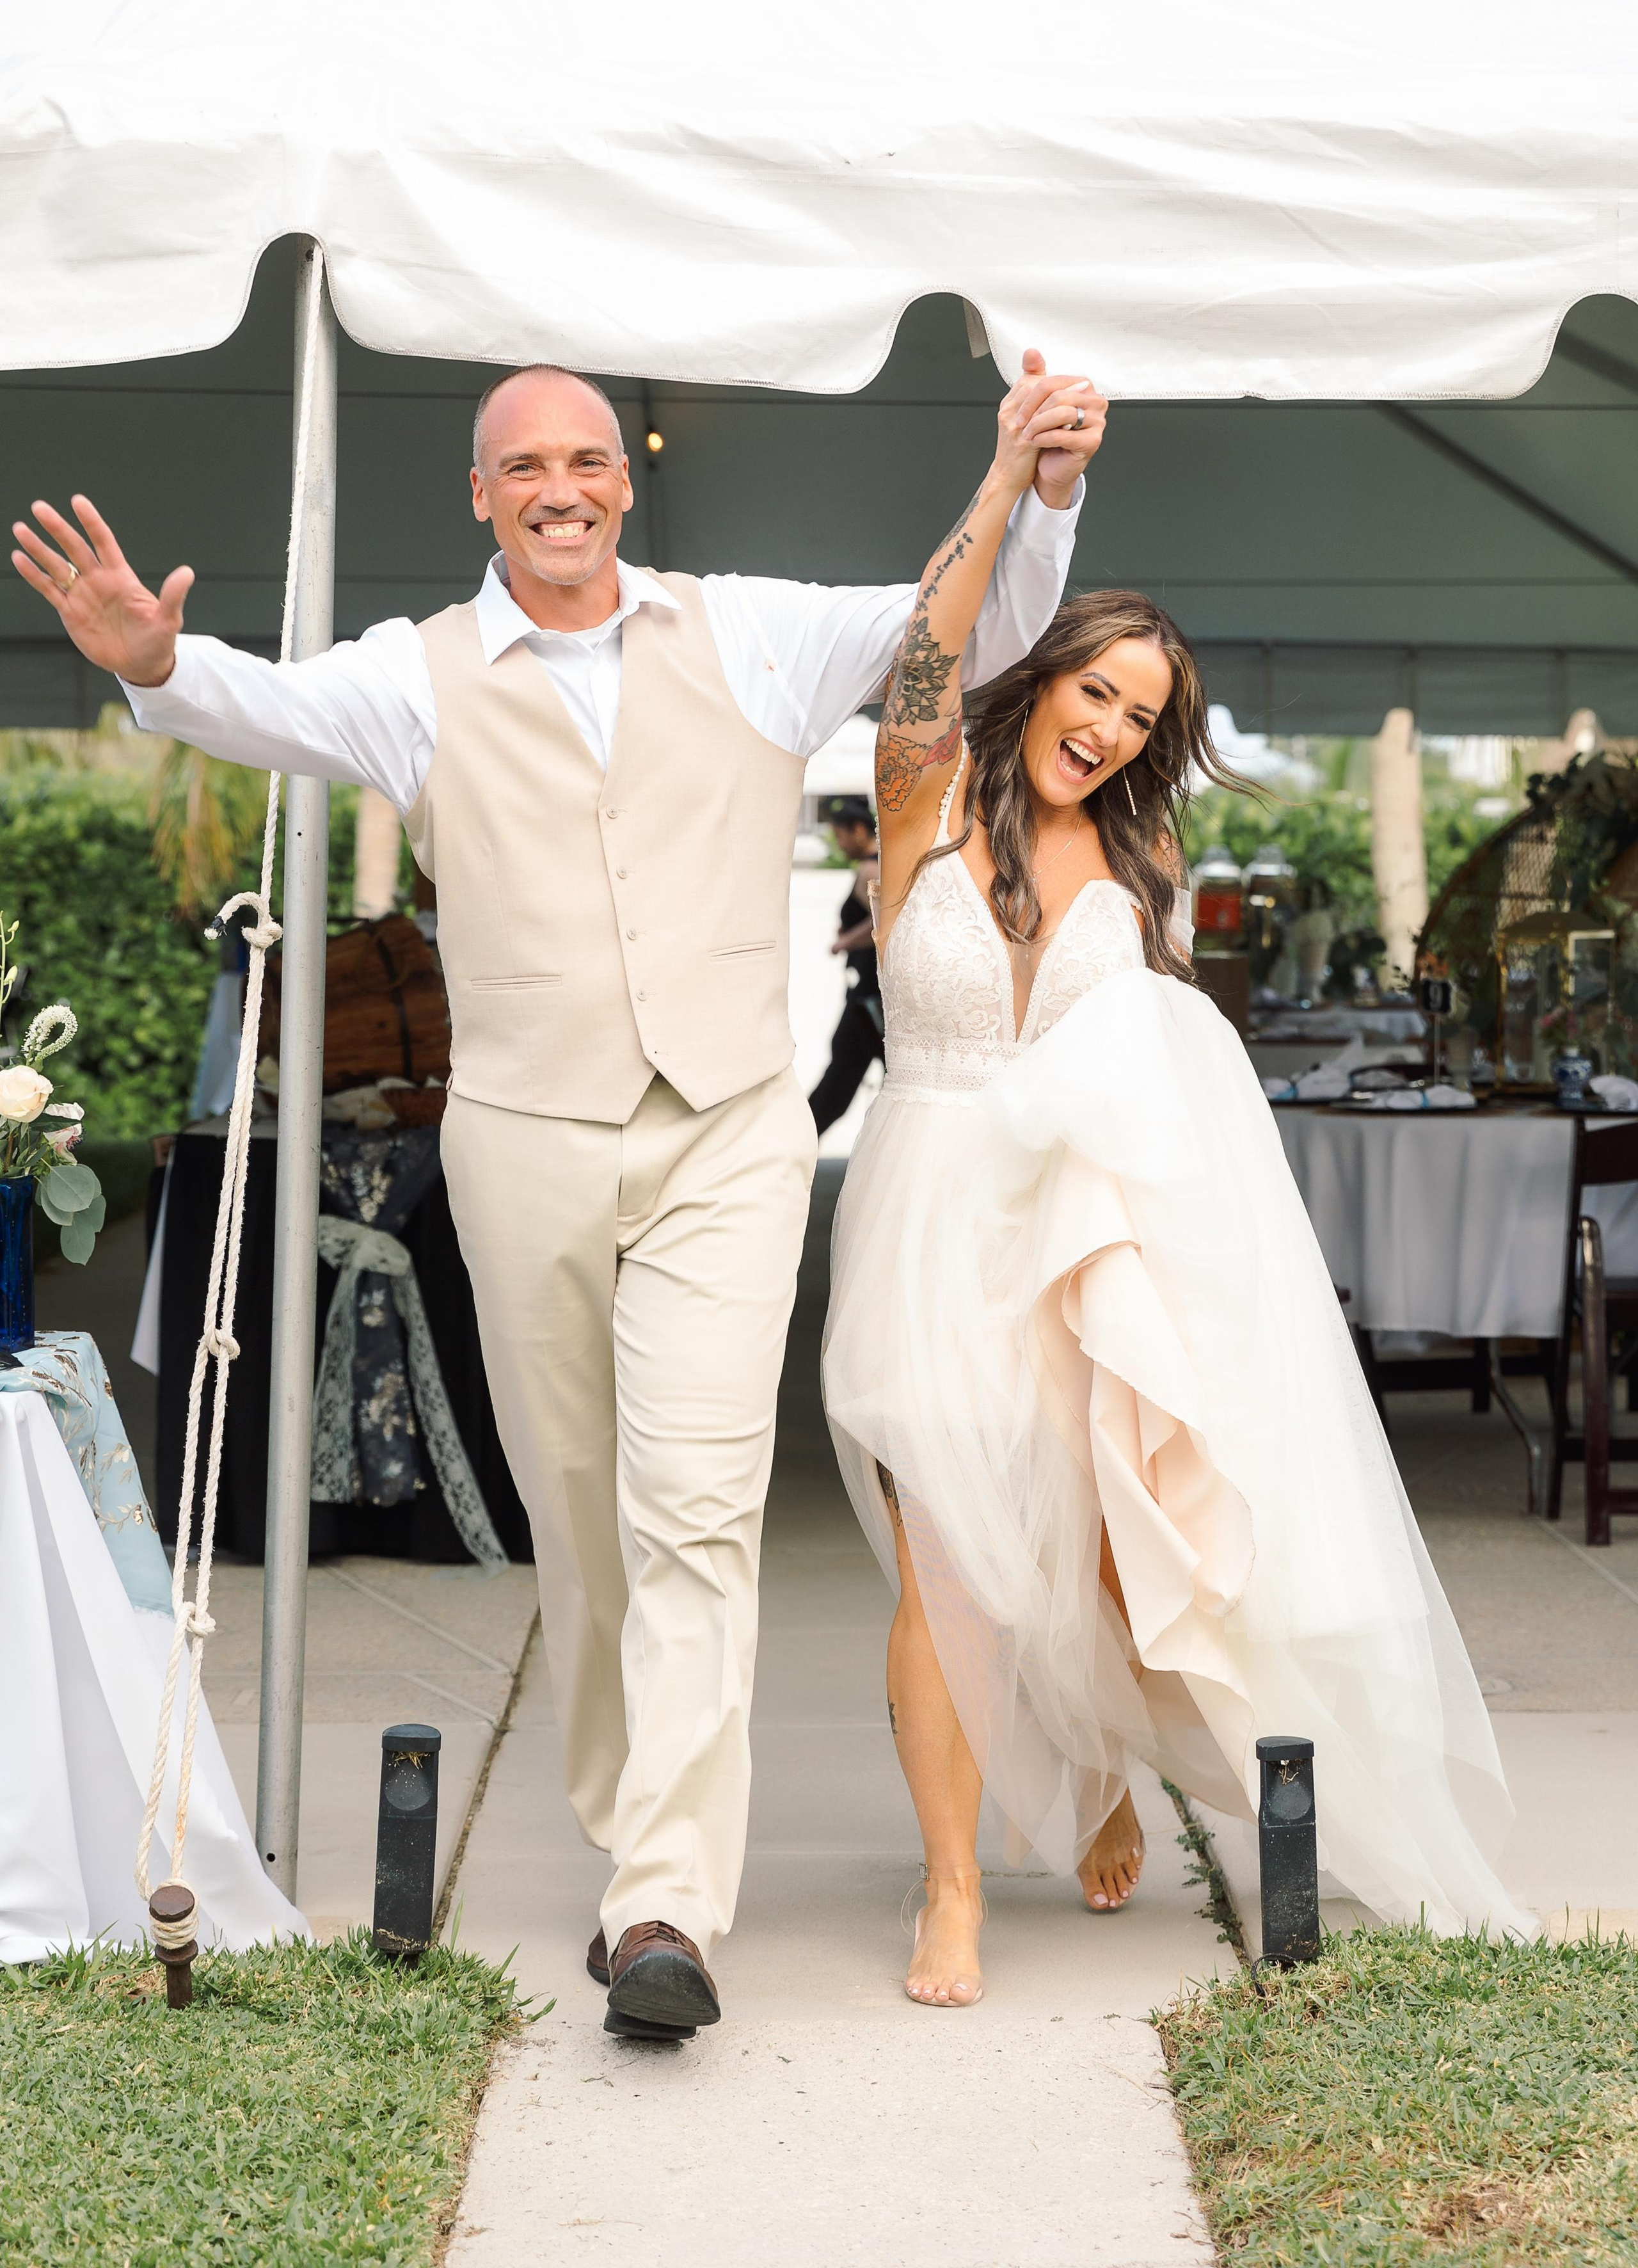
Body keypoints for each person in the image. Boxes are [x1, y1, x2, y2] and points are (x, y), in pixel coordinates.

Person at [12, 351, 1106, 2040]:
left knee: (696, 1508)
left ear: (624, 481)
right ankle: (631, 1810)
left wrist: (1036, 490)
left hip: (729, 1133)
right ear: (482, 494)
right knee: (579, 1515)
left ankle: (666, 1902)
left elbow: (958, 630)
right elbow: (263, 701)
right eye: (526, 464)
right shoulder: (418, 673)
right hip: (520, 1138)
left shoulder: (742, 628)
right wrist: (161, 667)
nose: (562, 486)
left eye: (587, 457)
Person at [821, 462, 1534, 2009]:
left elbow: (1166, 1074)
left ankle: (1094, 1774)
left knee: (1085, 1537)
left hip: (1083, 1226)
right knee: (948, 1551)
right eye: (1095, 688)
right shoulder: (918, 793)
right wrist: (1010, 477)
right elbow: (928, 648)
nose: (1110, 728)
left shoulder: (1141, 868)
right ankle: (951, 1888)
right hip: (929, 1209)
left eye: (1142, 716)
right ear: (1042, 674)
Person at [808, 798, 884, 1140]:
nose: (839, 844)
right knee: (846, 1074)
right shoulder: (874, 865)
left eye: (840, 835)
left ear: (858, 830)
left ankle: (795, 1145)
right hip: (869, 994)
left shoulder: (872, 868)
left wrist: (844, 942)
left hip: (870, 997)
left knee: (840, 1076)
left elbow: (882, 922)